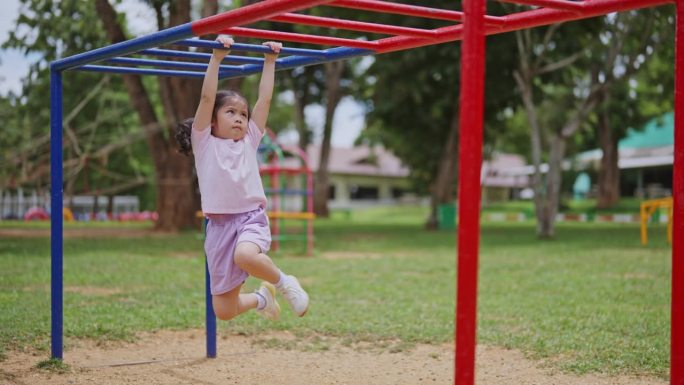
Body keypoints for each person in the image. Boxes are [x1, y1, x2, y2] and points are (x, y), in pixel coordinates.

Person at [175, 36, 309, 321]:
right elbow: (207, 98)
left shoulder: (249, 140)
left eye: (243, 114)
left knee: (245, 256)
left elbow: (265, 99)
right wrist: (216, 59)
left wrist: (270, 62)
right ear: (212, 120)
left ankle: (286, 283)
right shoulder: (204, 142)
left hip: (249, 218)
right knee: (223, 310)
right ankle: (262, 299)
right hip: (219, 227)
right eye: (231, 112)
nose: (239, 118)